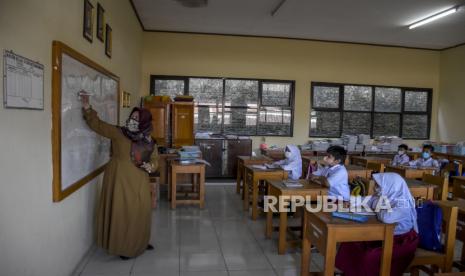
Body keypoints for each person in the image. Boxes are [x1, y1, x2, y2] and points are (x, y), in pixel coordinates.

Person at [81, 95, 158, 259]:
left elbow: (155, 159)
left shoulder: (149, 140)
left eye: (137, 118)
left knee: (140, 211)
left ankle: (141, 242)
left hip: (140, 180)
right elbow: (98, 125)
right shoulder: (119, 132)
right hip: (119, 178)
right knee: (123, 213)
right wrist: (87, 107)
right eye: (132, 116)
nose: (133, 119)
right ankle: (125, 247)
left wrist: (151, 166)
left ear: (144, 121)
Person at [336, 173, 419, 276]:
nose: (375, 188)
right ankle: (349, 273)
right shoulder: (386, 196)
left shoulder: (403, 203)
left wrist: (376, 206)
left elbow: (386, 217)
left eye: (378, 186)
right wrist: (349, 202)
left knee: (369, 256)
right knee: (349, 243)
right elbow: (367, 200)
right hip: (383, 236)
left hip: (401, 241)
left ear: (390, 186)